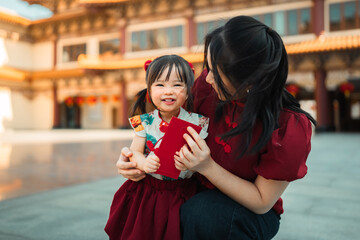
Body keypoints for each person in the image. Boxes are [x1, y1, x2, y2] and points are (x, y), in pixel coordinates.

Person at [116, 16, 316, 240]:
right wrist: (135, 159)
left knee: (205, 212)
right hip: (191, 190)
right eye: (207, 68)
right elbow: (163, 123)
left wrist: (207, 166)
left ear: (248, 78)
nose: (207, 78)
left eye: (216, 72)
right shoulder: (207, 87)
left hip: (243, 211)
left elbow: (261, 201)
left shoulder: (287, 126)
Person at [105, 55, 209, 240]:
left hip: (183, 191)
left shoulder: (197, 122)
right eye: (160, 85)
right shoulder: (144, 122)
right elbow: (134, 152)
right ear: (149, 90)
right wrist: (144, 163)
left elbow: (201, 155)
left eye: (177, 85)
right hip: (148, 193)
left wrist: (190, 163)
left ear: (188, 91)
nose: (168, 91)